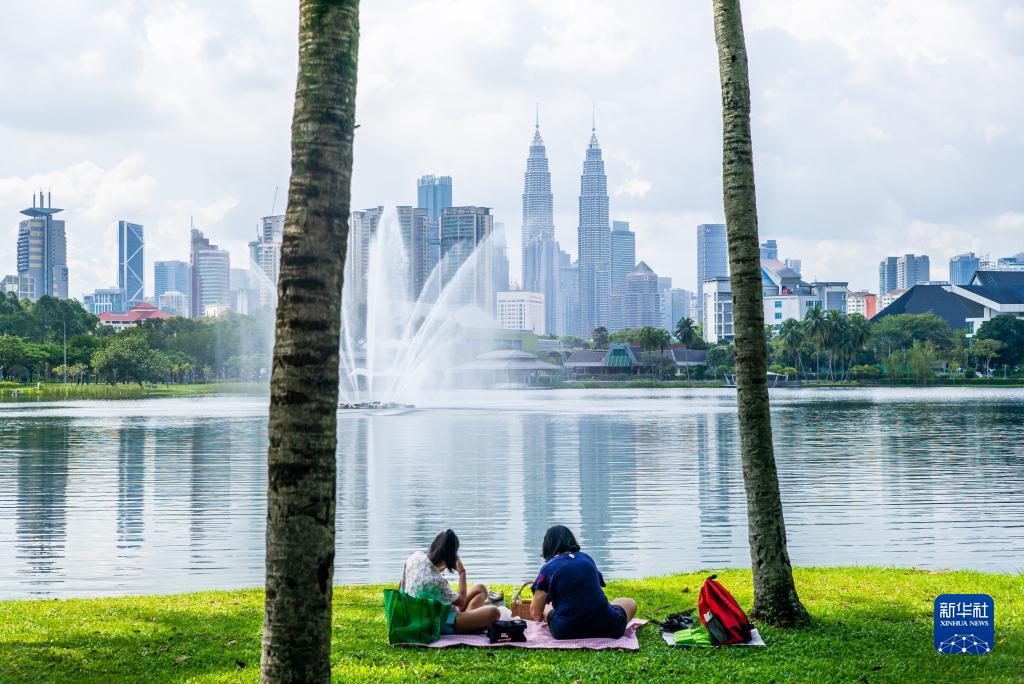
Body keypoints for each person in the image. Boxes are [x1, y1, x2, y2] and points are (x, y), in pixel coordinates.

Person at [529, 525, 637, 639]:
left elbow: (535, 613)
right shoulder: (587, 559)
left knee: (547, 607)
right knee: (630, 603)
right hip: (610, 628)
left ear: (547, 547)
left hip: (566, 632)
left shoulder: (548, 568)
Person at [400, 529, 499, 635]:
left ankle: (470, 623)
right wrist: (462, 572)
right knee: (494, 612)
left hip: (424, 612)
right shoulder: (437, 581)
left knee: (480, 588)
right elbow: (462, 601)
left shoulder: (415, 557)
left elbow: (401, 585)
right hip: (440, 621)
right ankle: (469, 624)